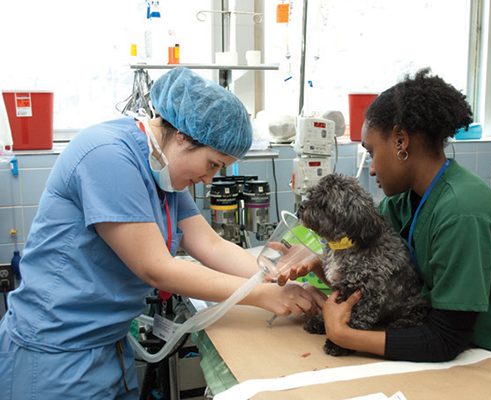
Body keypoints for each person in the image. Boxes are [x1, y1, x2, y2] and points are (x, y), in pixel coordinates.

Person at [0, 67, 323, 399]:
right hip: (56, 352)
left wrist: (274, 278)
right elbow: (157, 268)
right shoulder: (108, 156)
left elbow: (208, 243)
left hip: (108, 346)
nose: (210, 179)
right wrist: (258, 295)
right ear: (182, 136)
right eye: (212, 164)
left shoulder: (162, 171)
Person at [282, 69, 491, 396]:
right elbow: (374, 271)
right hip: (490, 350)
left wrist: (345, 335)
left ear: (401, 141)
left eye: (372, 151)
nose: (372, 168)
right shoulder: (404, 202)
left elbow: (446, 338)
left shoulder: (464, 211)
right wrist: (318, 261)